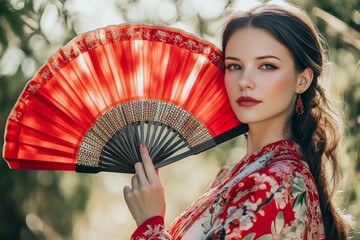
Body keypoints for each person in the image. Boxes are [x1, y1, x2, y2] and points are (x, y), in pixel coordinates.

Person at [123, 1, 352, 239]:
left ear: (302, 80)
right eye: (234, 66)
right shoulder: (232, 175)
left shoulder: (279, 184)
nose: (244, 80)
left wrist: (149, 224)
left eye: (266, 65)